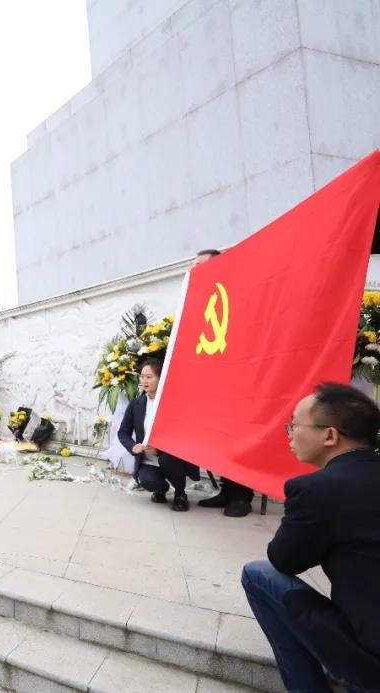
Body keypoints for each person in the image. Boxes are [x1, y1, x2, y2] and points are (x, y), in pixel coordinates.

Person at [241, 383, 380, 690]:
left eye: (294, 425)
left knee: (258, 574)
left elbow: (284, 559)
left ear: (330, 435)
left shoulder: (318, 489)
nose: (289, 435)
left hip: (371, 659)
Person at [193, 248, 257, 517]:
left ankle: (242, 496)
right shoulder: (201, 297)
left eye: (200, 265)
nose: (195, 270)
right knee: (220, 439)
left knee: (238, 440)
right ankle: (227, 490)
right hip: (214, 382)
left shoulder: (237, 293)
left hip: (240, 382)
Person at [117, 359, 192, 511]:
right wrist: (133, 447)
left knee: (167, 460)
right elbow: (123, 432)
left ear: (160, 378)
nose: (144, 381)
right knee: (148, 481)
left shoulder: (171, 403)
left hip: (171, 457)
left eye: (149, 377)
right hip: (148, 459)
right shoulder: (136, 404)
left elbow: (182, 435)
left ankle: (180, 494)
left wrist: (159, 450)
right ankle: (161, 487)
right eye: (142, 376)